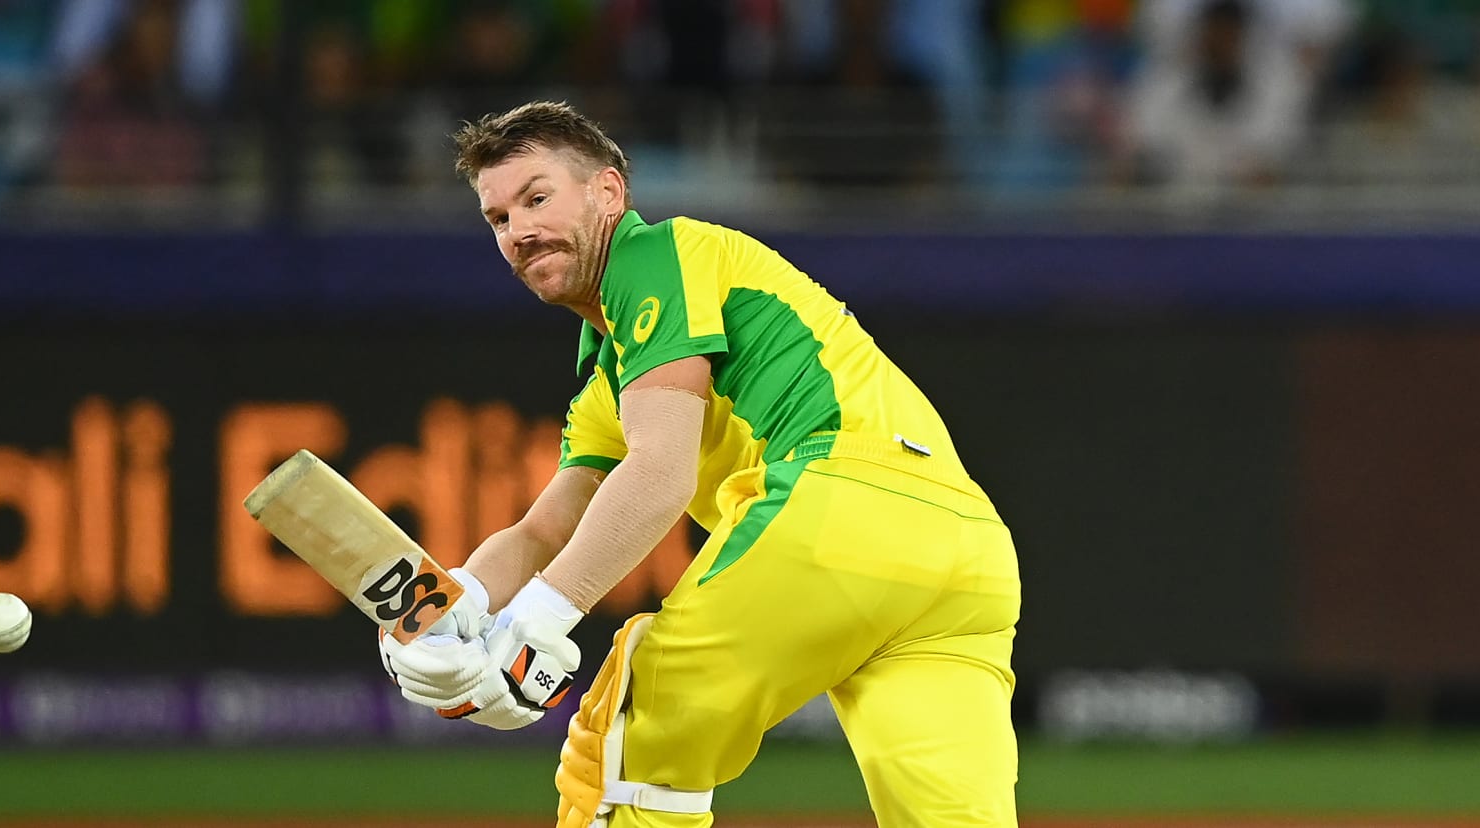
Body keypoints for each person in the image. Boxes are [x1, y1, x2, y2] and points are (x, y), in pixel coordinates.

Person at [379, 100, 1023, 828]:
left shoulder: (661, 256)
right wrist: (453, 601)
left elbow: (660, 474)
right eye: (498, 219)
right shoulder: (611, 382)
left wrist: (539, 619)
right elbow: (542, 530)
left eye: (537, 197)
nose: (521, 230)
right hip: (967, 556)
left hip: (844, 510)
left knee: (635, 740)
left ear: (609, 193)